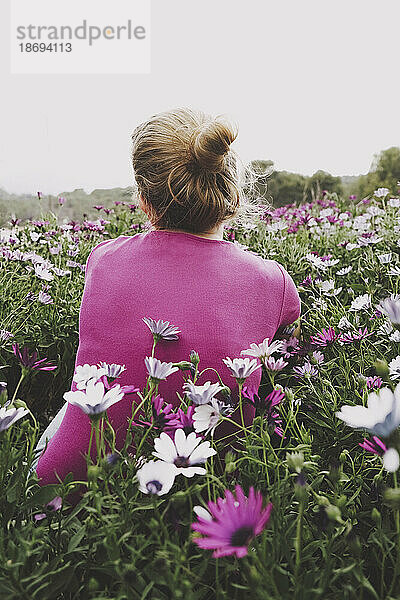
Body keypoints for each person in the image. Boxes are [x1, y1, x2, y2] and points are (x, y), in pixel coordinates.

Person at [35, 108, 301, 490]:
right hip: (215, 484)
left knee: (68, 407)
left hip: (71, 486)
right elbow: (287, 346)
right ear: (234, 196)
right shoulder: (271, 279)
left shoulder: (103, 260)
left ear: (143, 199)